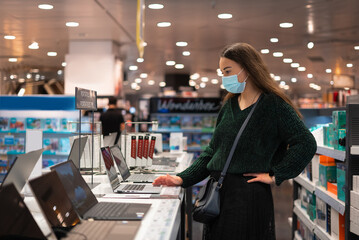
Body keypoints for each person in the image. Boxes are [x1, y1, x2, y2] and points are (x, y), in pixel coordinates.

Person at [153, 43, 317, 240]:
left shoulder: (273, 105)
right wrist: (181, 178)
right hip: (220, 194)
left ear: (247, 68)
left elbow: (306, 143)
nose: (225, 77)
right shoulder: (230, 104)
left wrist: (275, 174)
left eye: (228, 71)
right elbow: (213, 151)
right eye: (222, 72)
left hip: (249, 197)